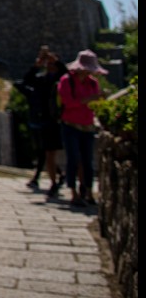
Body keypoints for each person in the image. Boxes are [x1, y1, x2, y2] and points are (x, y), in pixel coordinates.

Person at [57, 49, 107, 208]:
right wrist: (88, 100)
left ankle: (88, 191)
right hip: (70, 125)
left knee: (88, 162)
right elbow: (68, 103)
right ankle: (74, 193)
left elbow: (94, 106)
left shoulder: (93, 83)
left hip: (87, 126)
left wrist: (99, 100)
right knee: (73, 159)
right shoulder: (66, 81)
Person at [17, 46, 66, 197]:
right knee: (44, 151)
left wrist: (57, 62)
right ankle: (54, 179)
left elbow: (66, 74)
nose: (49, 67)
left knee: (48, 151)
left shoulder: (61, 81)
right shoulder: (41, 80)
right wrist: (35, 66)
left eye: (52, 65)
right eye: (48, 64)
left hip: (54, 121)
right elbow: (26, 81)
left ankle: (51, 179)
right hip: (40, 119)